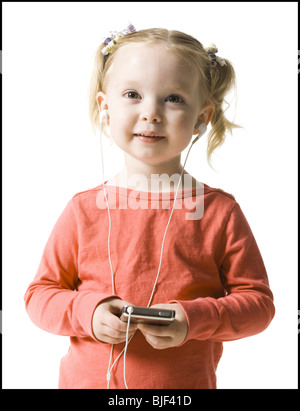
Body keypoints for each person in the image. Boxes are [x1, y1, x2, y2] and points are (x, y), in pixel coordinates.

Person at [24, 25, 275, 389]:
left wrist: (194, 318)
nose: (151, 113)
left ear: (201, 118)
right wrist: (88, 312)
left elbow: (258, 305)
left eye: (173, 98)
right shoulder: (83, 210)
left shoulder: (220, 212)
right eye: (132, 94)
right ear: (105, 107)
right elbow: (39, 296)